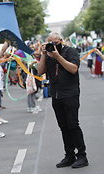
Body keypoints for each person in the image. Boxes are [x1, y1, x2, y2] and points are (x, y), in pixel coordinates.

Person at [38, 32, 88, 169]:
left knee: (73, 125)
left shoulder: (70, 51)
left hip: (70, 94)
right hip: (56, 95)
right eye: (50, 43)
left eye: (55, 43)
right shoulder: (48, 55)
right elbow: (40, 71)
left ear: (61, 41)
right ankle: (69, 155)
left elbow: (73, 69)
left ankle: (82, 155)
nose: (53, 46)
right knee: (63, 127)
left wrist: (57, 56)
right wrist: (43, 54)